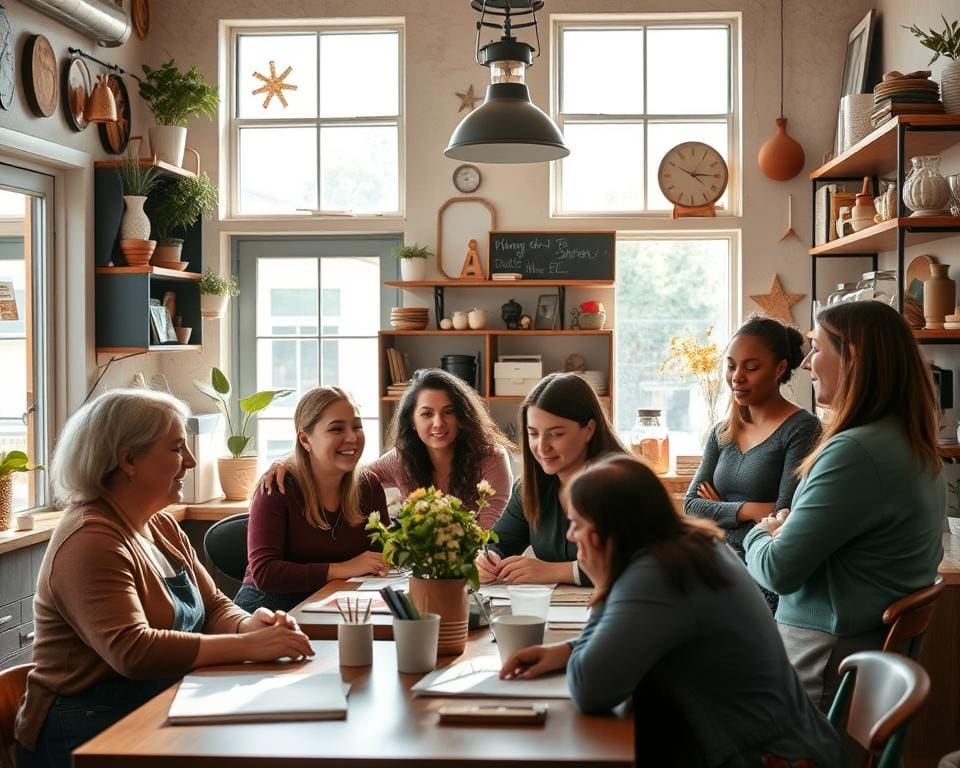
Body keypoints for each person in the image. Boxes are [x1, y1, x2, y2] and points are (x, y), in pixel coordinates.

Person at [15, 389, 314, 768]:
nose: (189, 460)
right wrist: (251, 646)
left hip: (151, 703)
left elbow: (215, 605)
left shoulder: (159, 525)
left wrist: (249, 625)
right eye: (176, 449)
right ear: (128, 460)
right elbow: (133, 651)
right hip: (85, 728)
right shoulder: (90, 540)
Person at [499, 455, 843, 767]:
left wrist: (603, 586)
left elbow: (591, 688)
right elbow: (642, 635)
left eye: (576, 523)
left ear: (607, 531)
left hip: (766, 758)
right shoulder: (687, 547)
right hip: (782, 742)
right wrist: (566, 650)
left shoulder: (657, 574)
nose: (572, 537)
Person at [745, 301, 945, 709]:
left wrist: (761, 532)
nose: (806, 364)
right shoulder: (906, 442)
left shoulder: (854, 452)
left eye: (816, 348)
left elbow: (778, 570)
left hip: (824, 664)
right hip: (855, 661)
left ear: (851, 357)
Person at [261, 368, 514, 529]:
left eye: (449, 412)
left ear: (463, 417)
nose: (438, 423)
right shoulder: (401, 459)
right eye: (426, 414)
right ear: (412, 422)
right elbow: (347, 473)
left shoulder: (491, 457)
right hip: (418, 571)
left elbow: (488, 534)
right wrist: (289, 461)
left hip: (479, 569)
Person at [684, 316, 820, 611]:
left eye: (751, 367)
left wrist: (720, 510)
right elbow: (691, 505)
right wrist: (749, 509)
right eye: (731, 366)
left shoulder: (802, 429)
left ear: (780, 368)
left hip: (760, 578)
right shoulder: (722, 432)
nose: (737, 377)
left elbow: (783, 518)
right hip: (712, 566)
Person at [235, 386, 389, 613]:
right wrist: (342, 569)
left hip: (338, 599)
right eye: (336, 429)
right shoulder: (276, 488)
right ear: (305, 439)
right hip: (269, 607)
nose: (352, 437)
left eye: (357, 426)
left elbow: (382, 554)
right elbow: (265, 572)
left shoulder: (369, 486)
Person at [478, 372, 628, 585]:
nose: (542, 447)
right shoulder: (530, 486)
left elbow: (634, 562)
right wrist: (487, 559)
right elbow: (498, 543)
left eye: (556, 434)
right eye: (533, 434)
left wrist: (555, 571)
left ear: (589, 429)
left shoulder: (623, 481)